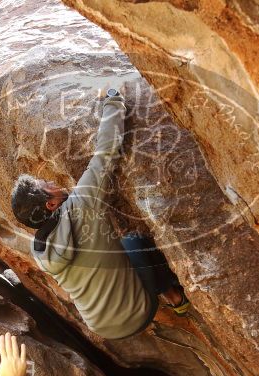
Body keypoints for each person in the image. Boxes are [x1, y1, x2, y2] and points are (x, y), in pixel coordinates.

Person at [10, 88, 190, 340]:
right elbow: (106, 151)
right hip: (138, 314)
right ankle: (175, 298)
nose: (50, 181)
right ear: (51, 204)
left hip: (101, 327)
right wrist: (113, 99)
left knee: (123, 245)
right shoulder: (80, 204)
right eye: (45, 185)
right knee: (137, 243)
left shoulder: (40, 249)